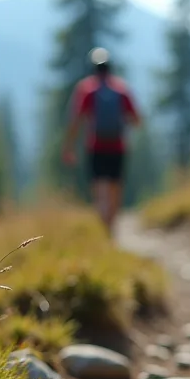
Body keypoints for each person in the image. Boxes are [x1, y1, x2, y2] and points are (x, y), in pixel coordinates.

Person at [62, 47, 142, 237]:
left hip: (96, 146)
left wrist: (69, 146)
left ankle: (105, 228)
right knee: (115, 188)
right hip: (118, 146)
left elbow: (76, 120)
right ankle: (112, 228)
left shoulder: (87, 89)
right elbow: (136, 120)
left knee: (100, 189)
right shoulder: (121, 89)